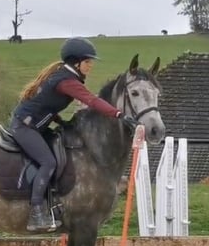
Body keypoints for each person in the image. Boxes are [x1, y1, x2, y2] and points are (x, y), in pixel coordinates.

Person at [10, 36, 139, 232]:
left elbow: (45, 106)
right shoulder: (67, 81)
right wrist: (118, 114)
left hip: (36, 126)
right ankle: (36, 213)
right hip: (24, 128)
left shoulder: (64, 76)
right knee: (48, 162)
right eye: (88, 62)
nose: (91, 66)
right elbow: (91, 100)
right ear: (76, 62)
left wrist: (59, 121)